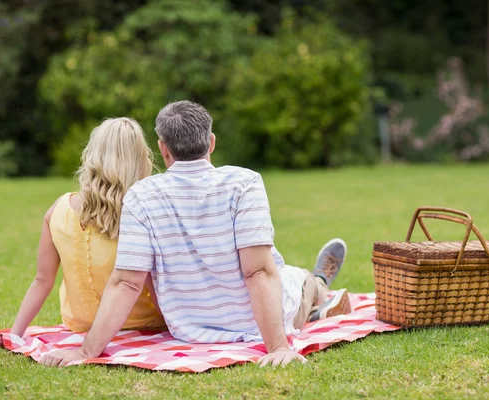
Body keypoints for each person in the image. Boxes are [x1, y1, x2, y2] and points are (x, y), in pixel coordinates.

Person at [41, 101, 351, 368]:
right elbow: (257, 271)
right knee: (297, 279)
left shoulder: (141, 196)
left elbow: (126, 282)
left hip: (191, 330)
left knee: (288, 277)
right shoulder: (244, 182)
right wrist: (279, 347)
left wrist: (86, 350)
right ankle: (320, 288)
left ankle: (319, 298)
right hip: (258, 323)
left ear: (163, 148)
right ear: (211, 142)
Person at [11, 118, 166, 337]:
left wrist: (15, 335)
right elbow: (153, 287)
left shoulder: (58, 210)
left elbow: (42, 280)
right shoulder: (141, 214)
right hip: (144, 326)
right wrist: (182, 330)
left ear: (92, 155)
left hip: (81, 326)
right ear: (140, 160)